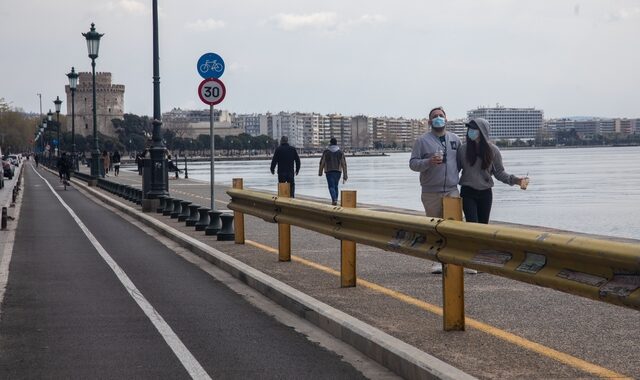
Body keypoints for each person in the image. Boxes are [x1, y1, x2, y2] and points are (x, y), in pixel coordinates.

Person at [409, 106, 462, 274]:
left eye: (441, 115)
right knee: (434, 226)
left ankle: (458, 260)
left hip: (452, 189)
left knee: (455, 226)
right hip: (431, 191)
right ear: (430, 121)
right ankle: (437, 260)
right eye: (435, 116)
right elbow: (413, 164)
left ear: (446, 119)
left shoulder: (455, 139)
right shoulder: (422, 141)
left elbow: (461, 161)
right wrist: (428, 162)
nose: (438, 118)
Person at [457, 118, 527, 224]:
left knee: (484, 225)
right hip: (468, 192)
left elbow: (499, 172)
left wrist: (515, 180)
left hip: (485, 192)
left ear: (482, 131)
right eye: (469, 128)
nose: (471, 130)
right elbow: (454, 170)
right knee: (472, 224)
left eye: (474, 128)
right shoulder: (462, 150)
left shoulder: (493, 150)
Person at [318, 137, 348, 205]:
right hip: (338, 171)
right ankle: (335, 200)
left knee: (331, 186)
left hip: (329, 171)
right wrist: (345, 175)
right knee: (336, 186)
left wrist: (320, 172)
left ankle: (334, 199)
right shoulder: (340, 152)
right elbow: (344, 164)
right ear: (336, 143)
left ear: (330, 143)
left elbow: (322, 162)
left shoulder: (326, 152)